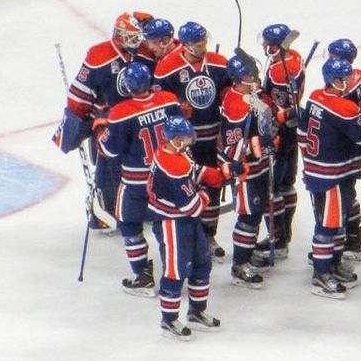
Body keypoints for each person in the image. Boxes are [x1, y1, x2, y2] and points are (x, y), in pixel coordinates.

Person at [98, 62, 185, 296]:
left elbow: (110, 150)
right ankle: (174, 272)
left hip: (136, 183)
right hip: (167, 176)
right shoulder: (168, 99)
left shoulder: (120, 112)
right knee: (166, 225)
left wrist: (100, 130)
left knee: (128, 224)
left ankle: (142, 276)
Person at [147, 116, 234, 341]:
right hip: (172, 223)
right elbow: (192, 206)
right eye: (185, 138)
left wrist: (221, 172)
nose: (189, 141)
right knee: (175, 271)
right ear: (174, 138)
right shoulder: (171, 165)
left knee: (202, 264)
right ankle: (169, 319)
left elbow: (194, 171)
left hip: (187, 222)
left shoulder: (177, 152)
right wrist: (205, 193)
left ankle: (196, 312)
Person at [57, 12, 147, 228]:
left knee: (136, 166)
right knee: (109, 169)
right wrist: (78, 120)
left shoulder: (139, 53)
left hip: (135, 120)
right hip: (109, 123)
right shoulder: (99, 56)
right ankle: (103, 215)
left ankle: (136, 209)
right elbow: (79, 95)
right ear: (119, 36)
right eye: (132, 38)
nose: (136, 42)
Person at [153, 21, 232, 259]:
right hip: (185, 143)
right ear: (186, 45)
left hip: (213, 135)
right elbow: (159, 102)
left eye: (204, 40)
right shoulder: (167, 67)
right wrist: (175, 107)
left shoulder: (218, 62)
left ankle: (209, 234)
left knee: (214, 184)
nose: (203, 45)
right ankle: (191, 235)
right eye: (198, 42)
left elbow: (230, 91)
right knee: (189, 187)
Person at [298, 58, 361, 299]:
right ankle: (321, 275)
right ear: (335, 80)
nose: (350, 81)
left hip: (326, 169)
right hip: (331, 173)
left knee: (337, 221)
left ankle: (334, 263)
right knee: (329, 224)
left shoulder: (314, 96)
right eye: (345, 78)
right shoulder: (344, 108)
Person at [217, 51, 277, 289]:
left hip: (259, 165)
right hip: (244, 170)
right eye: (250, 74)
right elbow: (235, 143)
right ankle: (239, 265)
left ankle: (248, 252)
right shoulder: (235, 105)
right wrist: (259, 145)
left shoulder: (250, 96)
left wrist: (269, 139)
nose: (256, 77)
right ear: (239, 78)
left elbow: (264, 125)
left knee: (259, 208)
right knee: (248, 215)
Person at [327, 38, 361, 261]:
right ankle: (353, 239)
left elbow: (337, 113)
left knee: (342, 194)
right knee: (348, 192)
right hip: (360, 138)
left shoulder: (344, 87)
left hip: (347, 145)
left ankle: (346, 241)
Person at [261, 23, 304, 260]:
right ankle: (284, 236)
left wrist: (250, 97)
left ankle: (278, 239)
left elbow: (271, 107)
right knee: (287, 184)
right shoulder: (293, 59)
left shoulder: (281, 71)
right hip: (291, 131)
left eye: (268, 44)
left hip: (280, 132)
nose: (265, 47)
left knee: (274, 187)